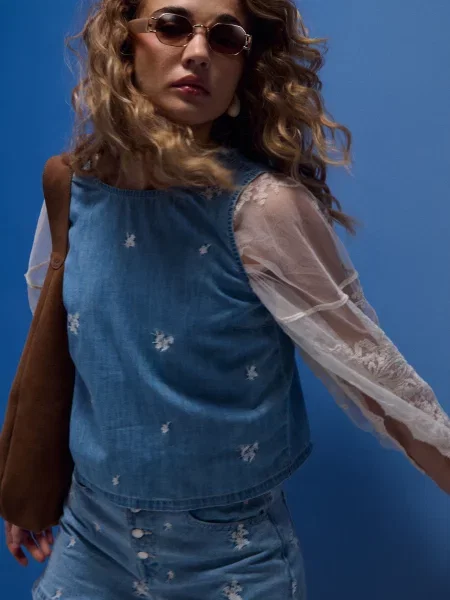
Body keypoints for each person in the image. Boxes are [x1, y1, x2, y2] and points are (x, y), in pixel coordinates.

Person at [4, 0, 450, 598]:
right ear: (126, 45)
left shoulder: (263, 209)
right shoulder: (71, 184)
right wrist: (29, 480)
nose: (197, 52)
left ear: (245, 69)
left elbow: (380, 386)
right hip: (89, 539)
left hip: (228, 562)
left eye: (225, 37)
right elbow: (65, 346)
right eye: (171, 25)